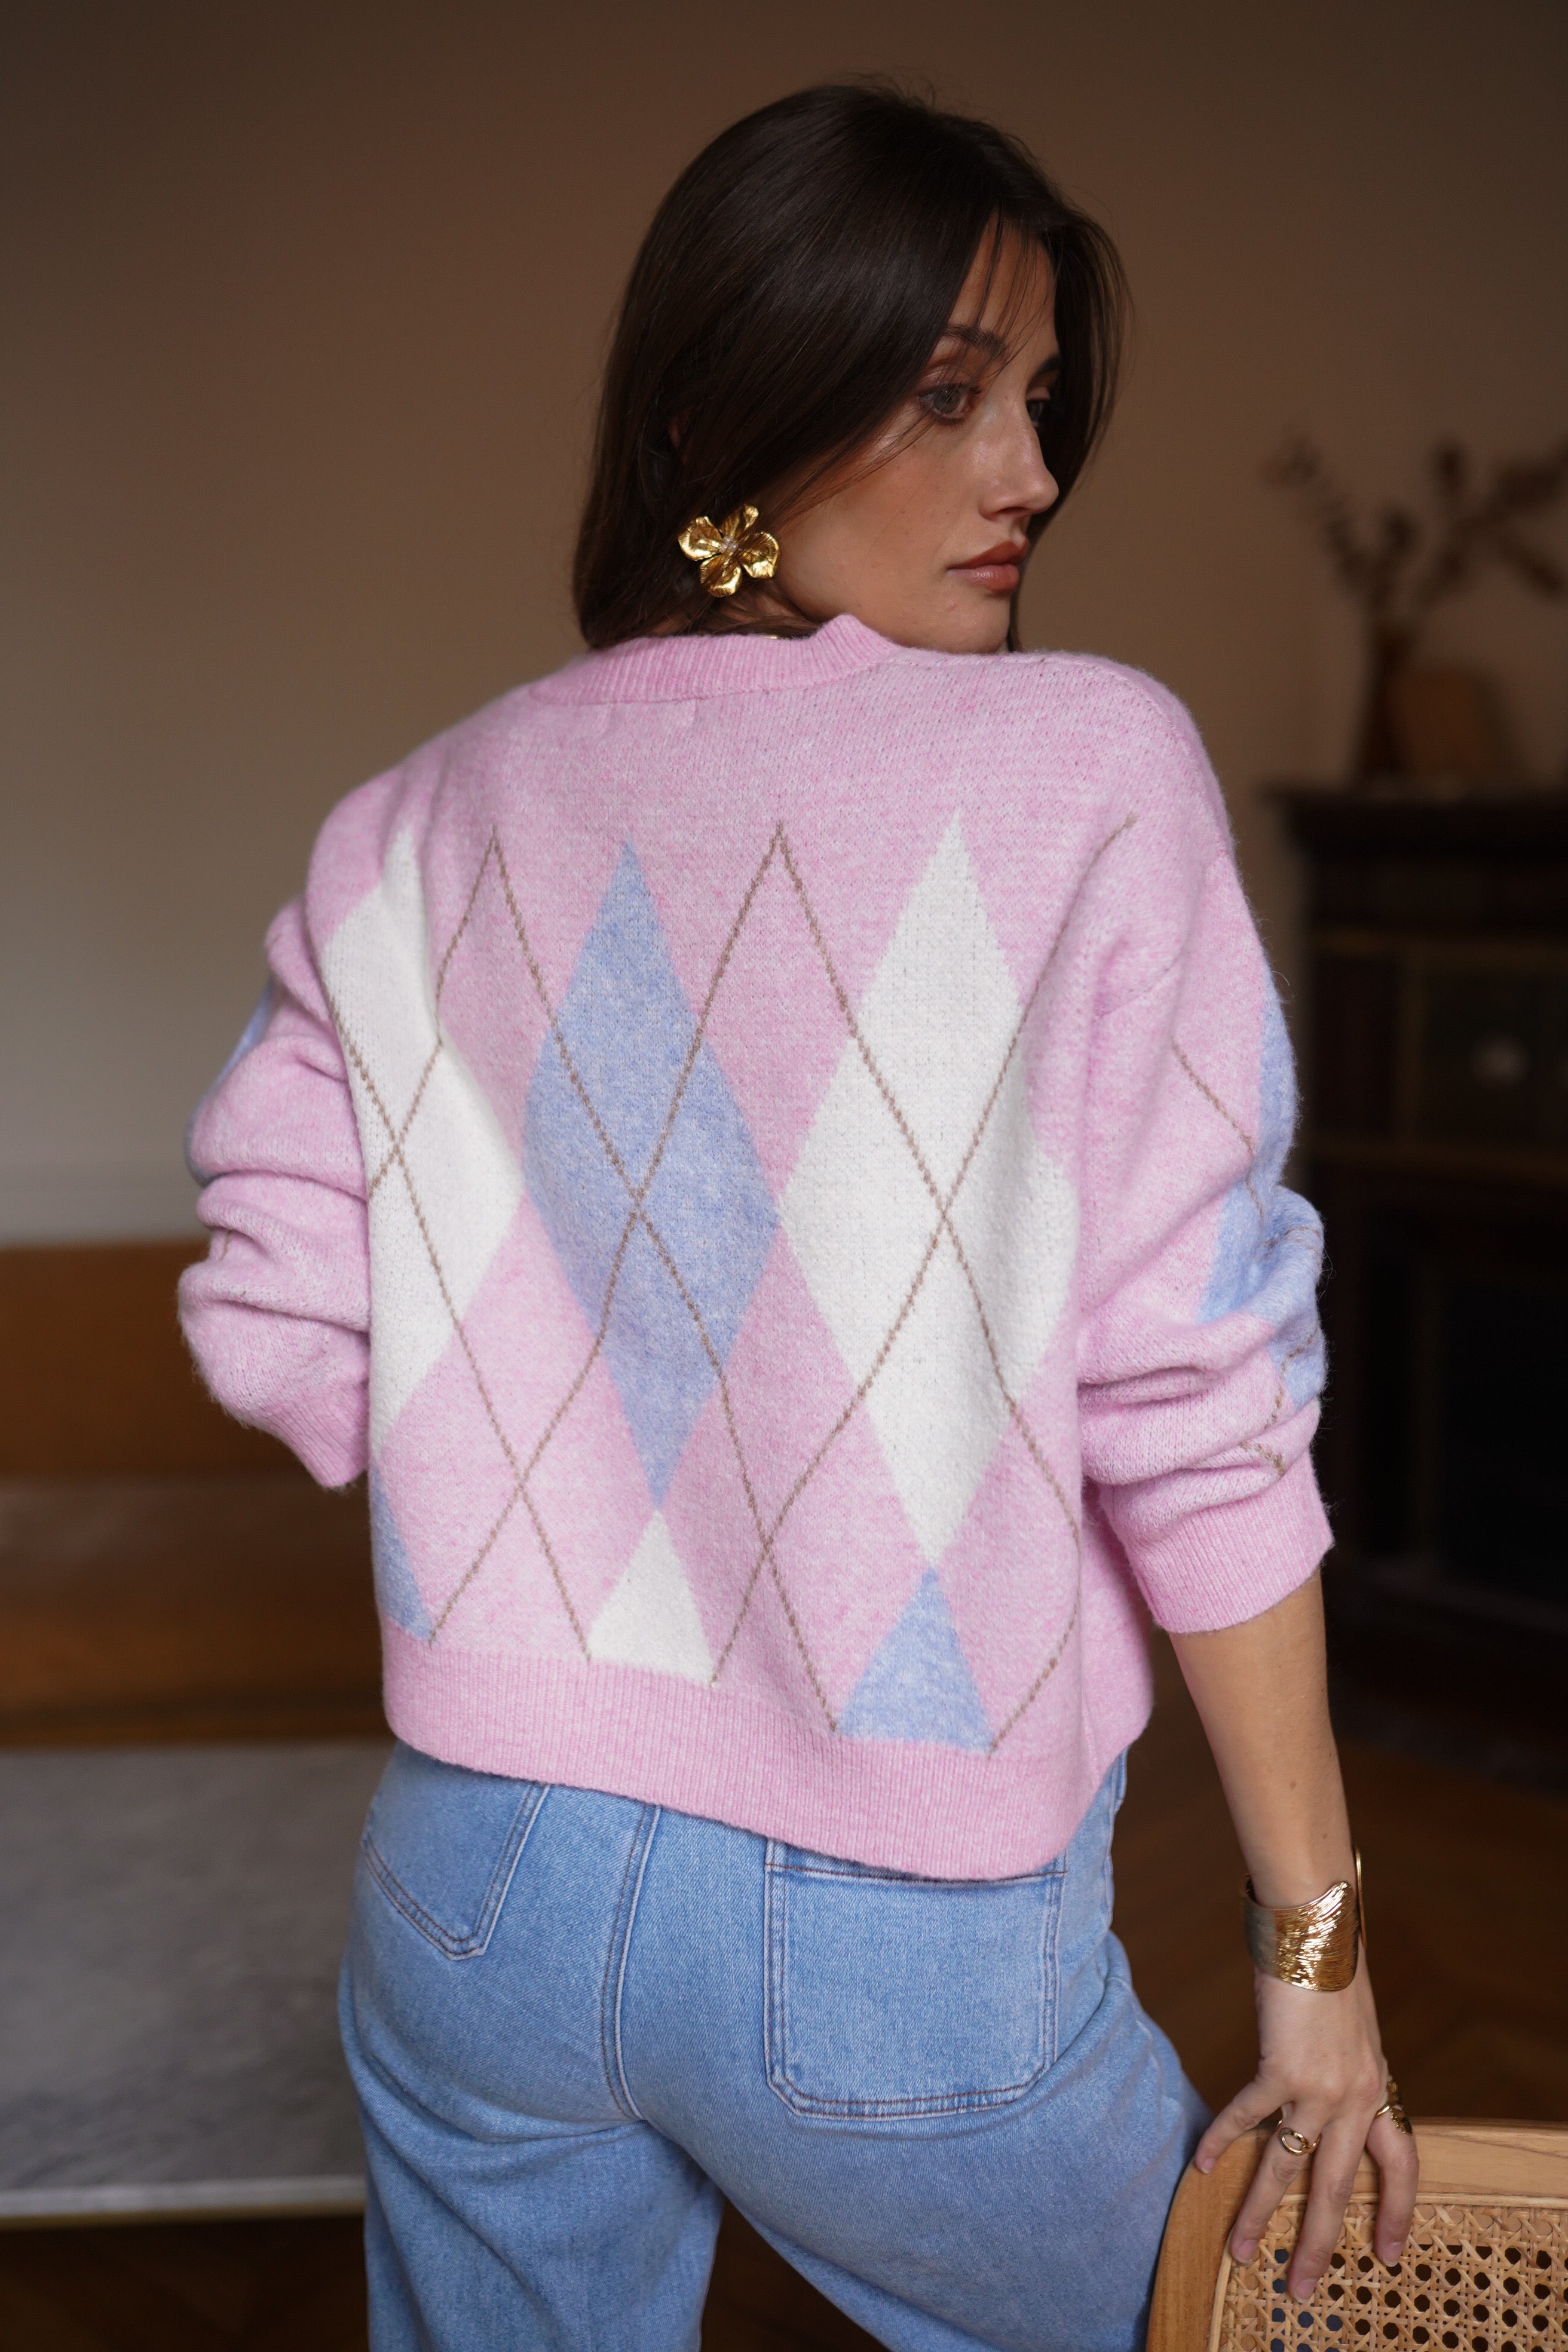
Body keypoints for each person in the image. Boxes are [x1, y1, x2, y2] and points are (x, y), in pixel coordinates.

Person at [179, 82, 1417, 2352]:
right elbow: (1197, 1400)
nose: (1030, 472)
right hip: (896, 1948)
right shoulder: (1089, 775)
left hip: (476, 1891)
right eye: (947, 394)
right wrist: (1315, 1960)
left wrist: (555, 1411)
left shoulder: (415, 823)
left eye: (1039, 401)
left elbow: (275, 1321)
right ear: (724, 413)